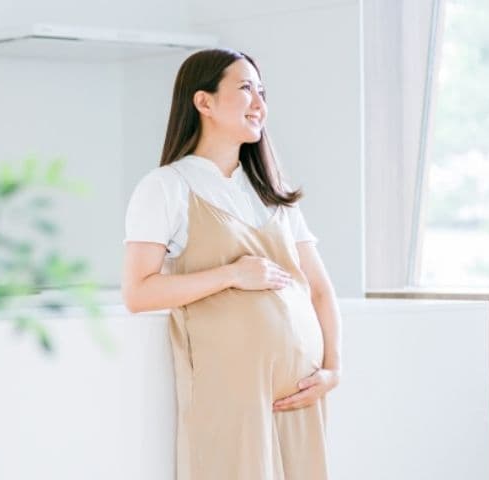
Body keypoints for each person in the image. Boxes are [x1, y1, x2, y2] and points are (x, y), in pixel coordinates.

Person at [121, 48, 343, 480]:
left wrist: (333, 368)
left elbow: (319, 289)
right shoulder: (166, 187)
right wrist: (232, 275)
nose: (260, 104)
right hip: (231, 394)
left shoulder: (271, 191)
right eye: (245, 89)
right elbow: (137, 292)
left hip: (301, 391)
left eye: (262, 91)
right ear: (203, 102)